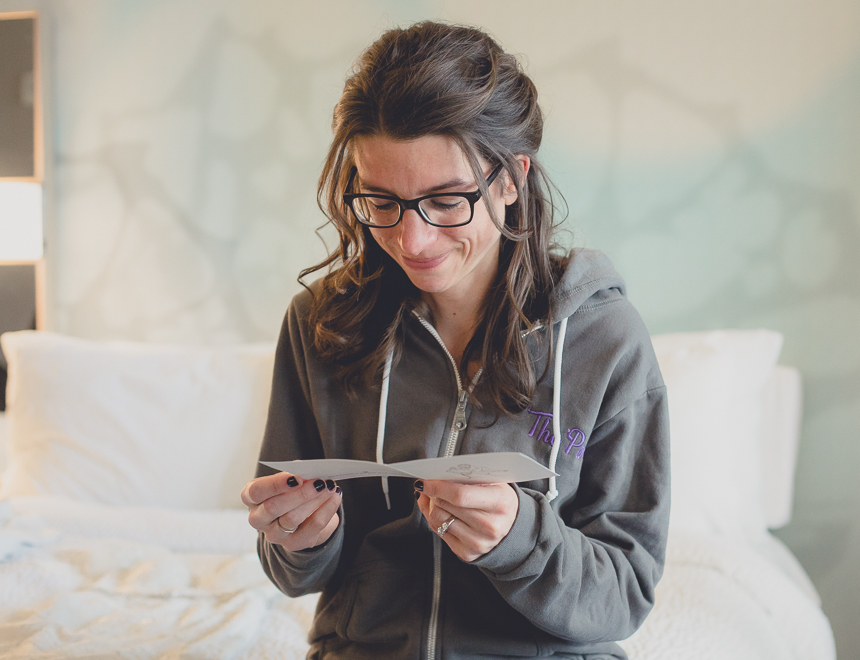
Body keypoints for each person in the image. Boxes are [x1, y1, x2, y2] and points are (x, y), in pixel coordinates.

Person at [240, 20, 670, 660]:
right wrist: (296, 541)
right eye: (381, 201)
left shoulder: (604, 342)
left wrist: (521, 540)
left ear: (511, 179)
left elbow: (624, 595)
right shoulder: (319, 325)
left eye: (445, 201)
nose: (411, 241)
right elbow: (299, 574)